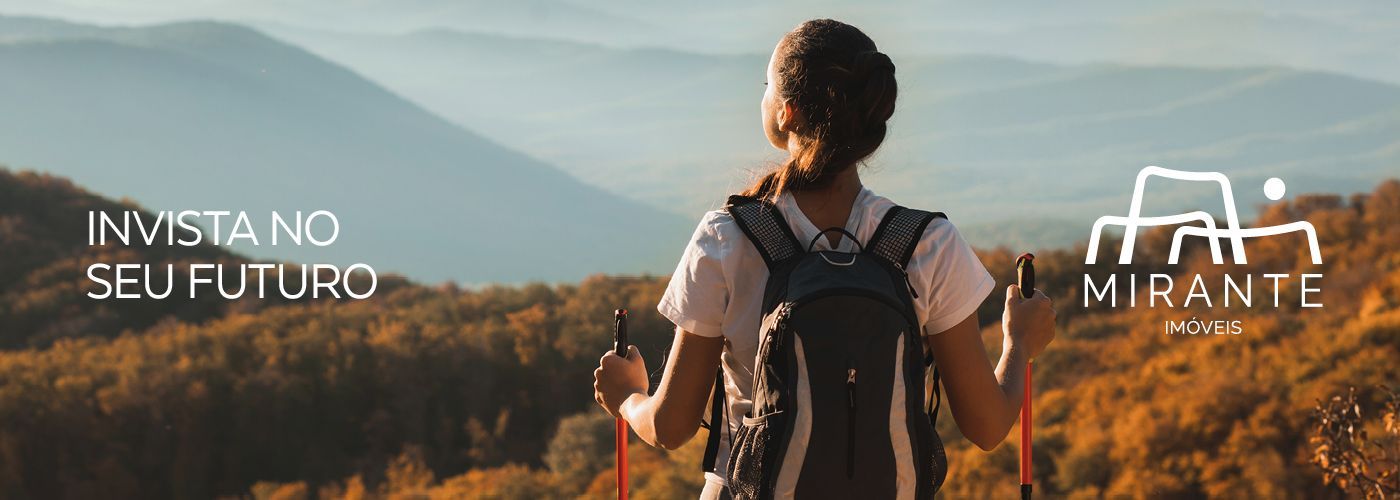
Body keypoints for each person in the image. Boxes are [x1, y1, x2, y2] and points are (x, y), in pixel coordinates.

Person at [594, 18, 1056, 499]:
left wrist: (627, 395)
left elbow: (670, 427)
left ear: (787, 113)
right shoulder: (929, 242)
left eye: (766, 87)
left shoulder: (726, 238)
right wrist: (1019, 344)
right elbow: (987, 426)